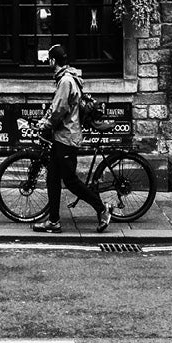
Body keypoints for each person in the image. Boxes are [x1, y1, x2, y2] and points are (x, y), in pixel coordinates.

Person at [30, 47, 109, 234]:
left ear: (53, 61)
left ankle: (102, 209)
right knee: (52, 178)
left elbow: (60, 109)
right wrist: (45, 121)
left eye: (49, 60)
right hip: (62, 136)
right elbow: (57, 107)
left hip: (67, 137)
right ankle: (54, 221)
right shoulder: (66, 78)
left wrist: (46, 124)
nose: (48, 63)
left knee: (71, 181)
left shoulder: (65, 81)